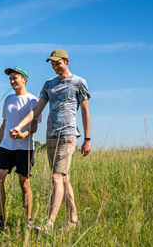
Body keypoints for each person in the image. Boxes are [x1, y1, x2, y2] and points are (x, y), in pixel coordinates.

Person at [10, 49, 91, 231]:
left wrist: (87, 139)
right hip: (51, 135)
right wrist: (20, 126)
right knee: (63, 178)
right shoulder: (49, 84)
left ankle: (49, 225)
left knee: (56, 178)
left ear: (66, 61)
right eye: (52, 63)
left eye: (57, 62)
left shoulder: (79, 82)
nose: (54, 66)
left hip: (68, 134)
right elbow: (36, 110)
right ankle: (73, 220)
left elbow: (85, 111)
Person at [0, 66, 40, 232]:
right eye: (10, 79)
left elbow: (33, 128)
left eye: (15, 78)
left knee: (24, 183)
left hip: (24, 148)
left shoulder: (33, 100)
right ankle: (0, 219)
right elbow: (4, 124)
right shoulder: (8, 99)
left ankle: (28, 221)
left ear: (24, 79)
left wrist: (22, 135)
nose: (12, 81)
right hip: (6, 146)